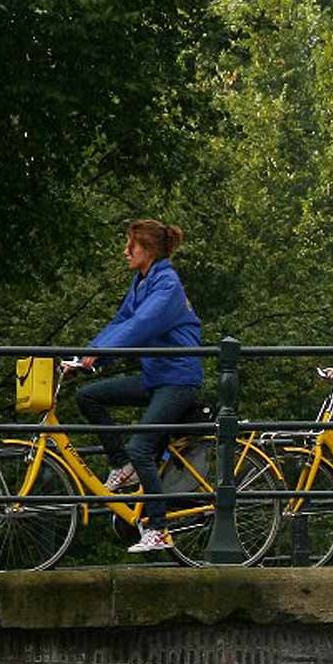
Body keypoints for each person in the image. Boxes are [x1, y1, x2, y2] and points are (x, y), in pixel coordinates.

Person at [75, 219, 204, 554]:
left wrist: (100, 354)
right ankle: (121, 466)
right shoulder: (142, 281)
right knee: (88, 397)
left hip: (177, 380)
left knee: (141, 448)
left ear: (147, 249)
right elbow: (122, 322)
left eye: (130, 246)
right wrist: (86, 356)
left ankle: (159, 529)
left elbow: (143, 324)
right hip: (155, 377)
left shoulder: (167, 285)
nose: (125, 251)